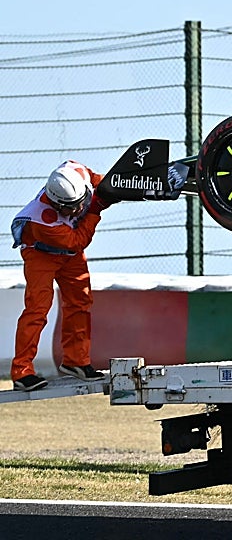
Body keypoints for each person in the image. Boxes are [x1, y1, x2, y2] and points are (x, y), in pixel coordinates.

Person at [9, 161, 114, 391]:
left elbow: (100, 181)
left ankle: (76, 361)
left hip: (69, 254)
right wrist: (96, 209)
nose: (77, 211)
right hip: (41, 255)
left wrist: (113, 185)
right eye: (69, 208)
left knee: (81, 301)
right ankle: (22, 370)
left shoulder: (77, 170)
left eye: (80, 203)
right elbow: (77, 241)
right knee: (37, 309)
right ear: (56, 203)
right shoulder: (43, 220)